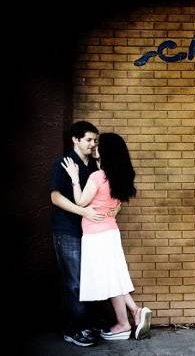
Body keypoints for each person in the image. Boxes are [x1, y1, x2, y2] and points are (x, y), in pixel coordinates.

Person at [61, 132, 152, 341]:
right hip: (111, 232)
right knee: (113, 275)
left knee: (110, 279)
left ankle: (123, 324)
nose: (95, 147)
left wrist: (75, 180)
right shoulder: (120, 177)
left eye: (99, 145)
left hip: (95, 234)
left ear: (107, 151)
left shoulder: (97, 177)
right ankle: (135, 311)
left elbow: (81, 202)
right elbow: (116, 206)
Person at [50, 121, 105, 347]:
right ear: (75, 139)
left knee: (90, 280)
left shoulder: (94, 166)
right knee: (74, 282)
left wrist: (100, 160)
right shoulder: (64, 163)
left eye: (95, 141)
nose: (93, 144)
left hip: (90, 232)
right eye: (89, 140)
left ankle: (88, 325)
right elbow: (55, 197)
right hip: (68, 231)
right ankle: (74, 329)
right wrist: (83, 211)